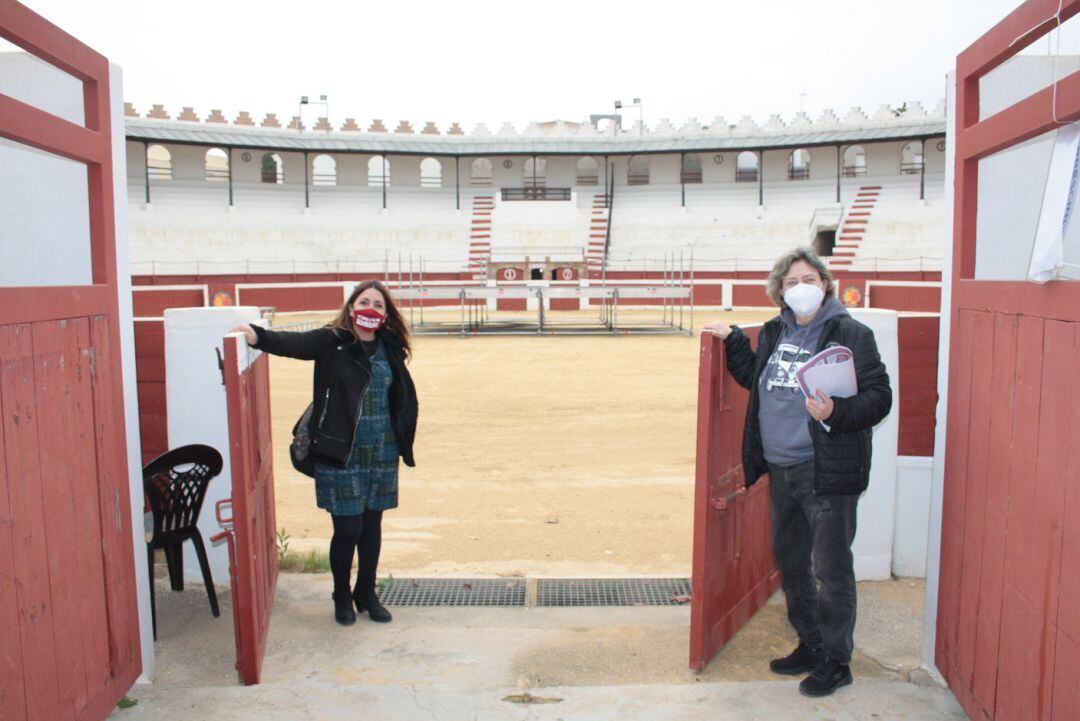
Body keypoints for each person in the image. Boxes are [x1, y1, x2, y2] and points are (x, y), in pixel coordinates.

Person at [703, 247, 891, 697]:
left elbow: (879, 397)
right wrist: (732, 339)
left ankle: (837, 660)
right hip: (782, 469)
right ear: (780, 292)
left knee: (831, 569)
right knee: (792, 565)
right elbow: (755, 377)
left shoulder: (851, 333)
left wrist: (836, 410)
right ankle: (810, 643)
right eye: (791, 283)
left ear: (825, 284)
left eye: (808, 279)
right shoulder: (773, 331)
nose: (801, 288)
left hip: (823, 472)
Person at [231, 280, 418, 626]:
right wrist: (258, 335)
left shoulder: (389, 347)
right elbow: (297, 344)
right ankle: (341, 593)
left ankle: (367, 592)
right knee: (348, 529)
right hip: (340, 451)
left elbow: (401, 396)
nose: (371, 309)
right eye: (365, 302)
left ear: (385, 315)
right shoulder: (333, 342)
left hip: (381, 451)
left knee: (372, 526)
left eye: (379, 305)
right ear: (350, 309)